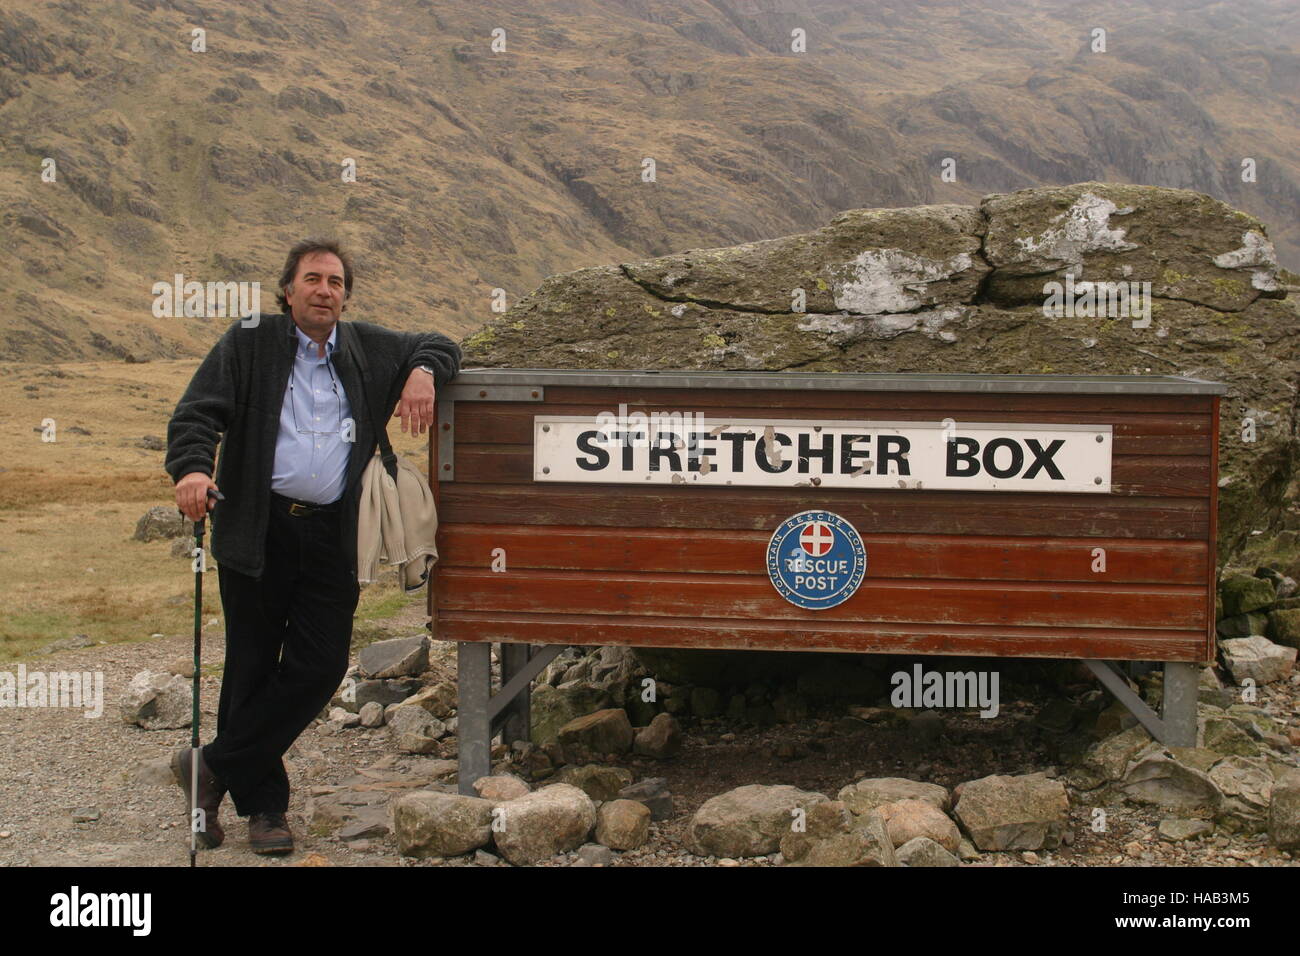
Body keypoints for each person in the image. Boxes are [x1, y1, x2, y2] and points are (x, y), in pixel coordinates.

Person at [164, 238, 461, 853]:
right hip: (256, 527)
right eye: (313, 279)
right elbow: (197, 413)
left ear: (344, 295)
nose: (325, 290)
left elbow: (439, 342)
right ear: (288, 290)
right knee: (250, 667)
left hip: (331, 531)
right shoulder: (249, 341)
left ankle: (212, 764)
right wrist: (193, 469)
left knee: (321, 665)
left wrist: (423, 373)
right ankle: (266, 811)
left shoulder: (365, 347)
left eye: (335, 282)